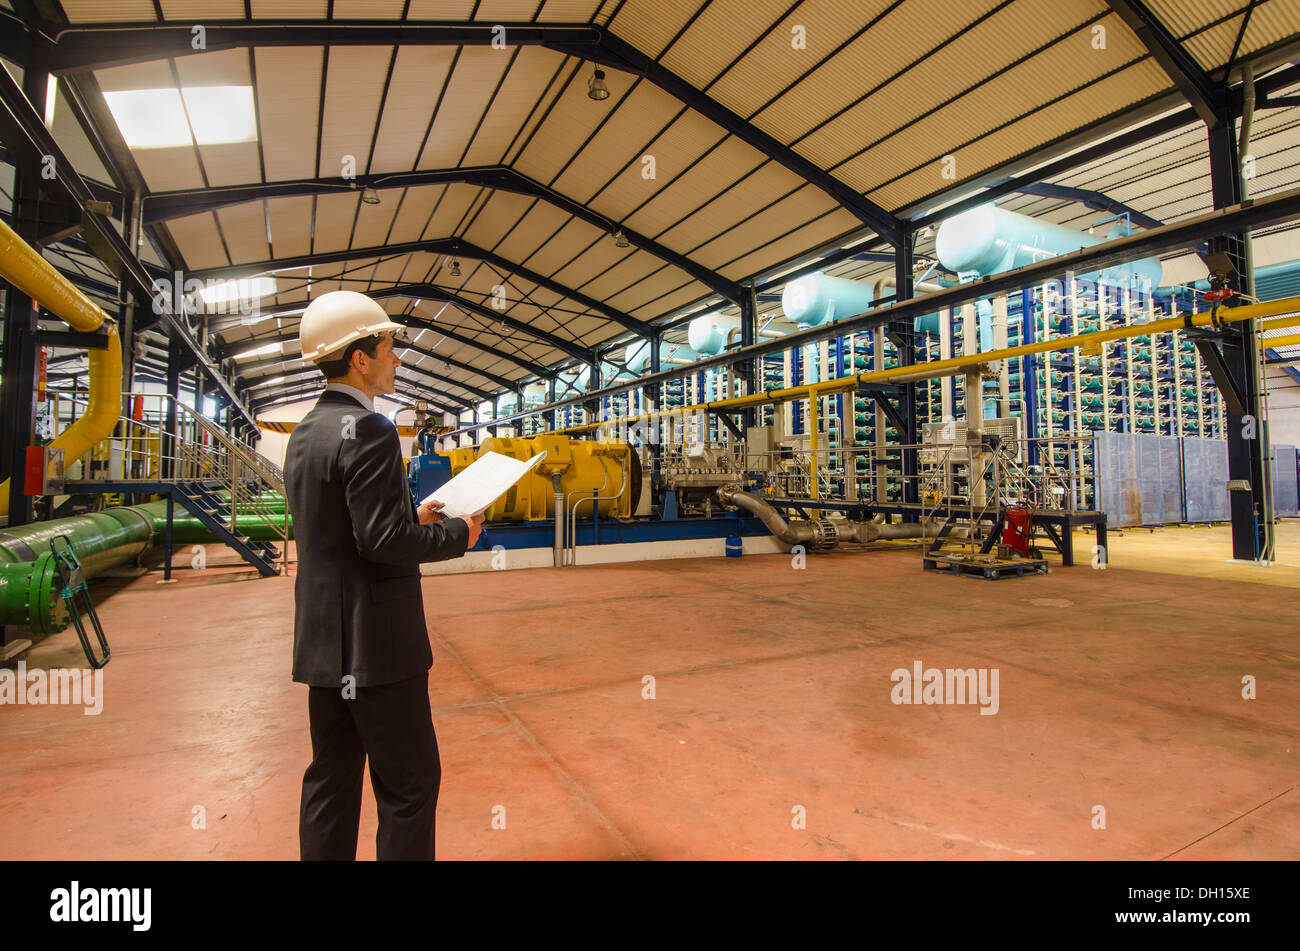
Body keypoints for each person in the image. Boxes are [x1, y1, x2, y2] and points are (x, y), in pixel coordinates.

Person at [283, 289, 484, 861]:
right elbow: (382, 544)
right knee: (408, 787)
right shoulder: (368, 429)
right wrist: (456, 534)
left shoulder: (306, 432)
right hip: (377, 650)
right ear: (359, 358)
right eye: (390, 348)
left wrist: (409, 515)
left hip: (324, 647)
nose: (397, 360)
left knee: (331, 781)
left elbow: (339, 530)